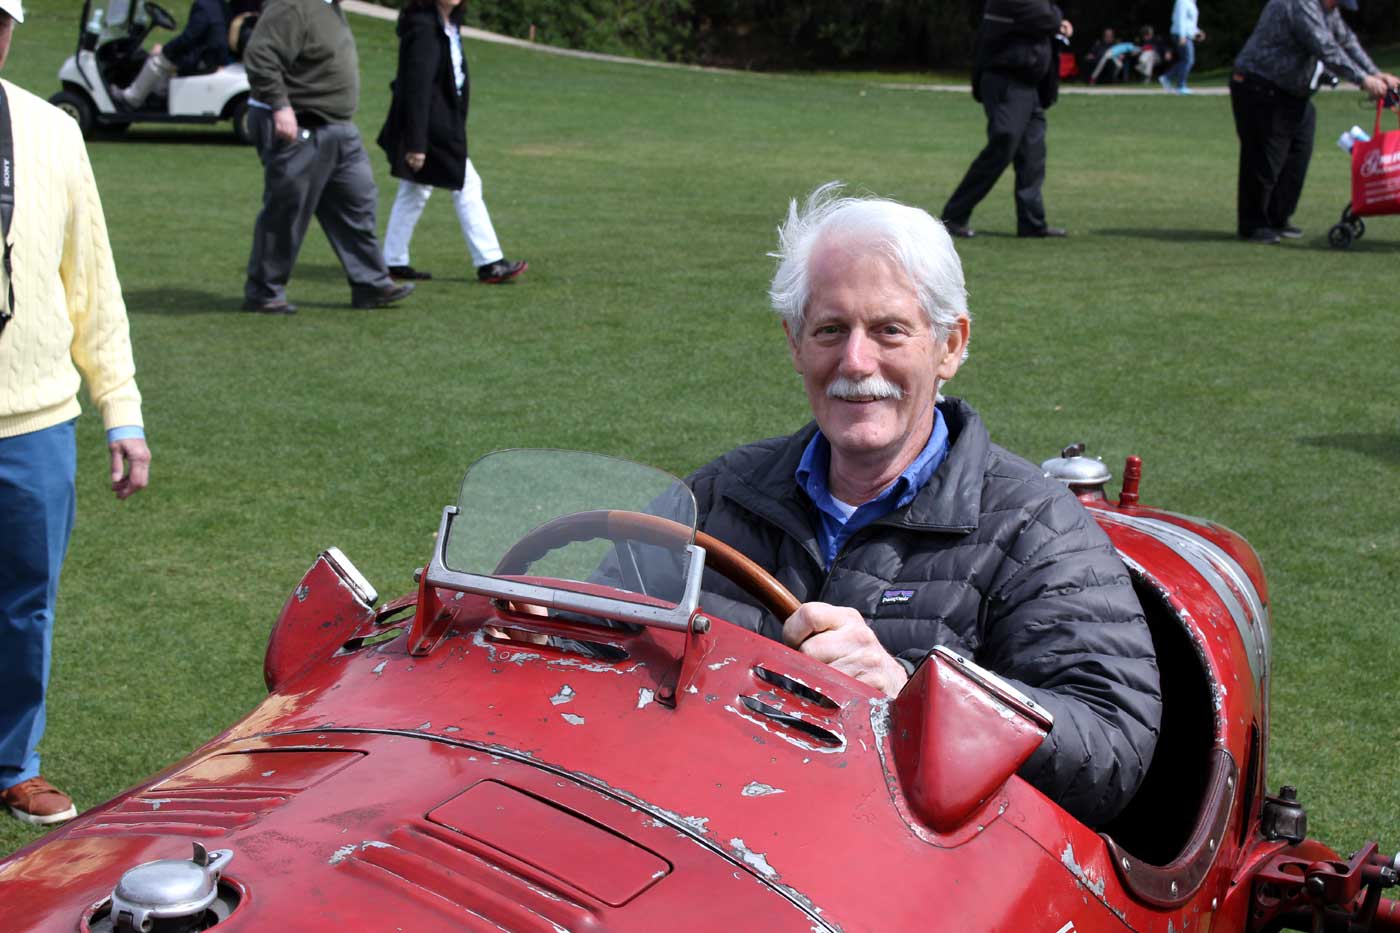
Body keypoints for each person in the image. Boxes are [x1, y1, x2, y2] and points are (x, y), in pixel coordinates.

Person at [685, 184, 1161, 827]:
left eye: (889, 330)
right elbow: (607, 633)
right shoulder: (720, 491)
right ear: (794, 343)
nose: (856, 362)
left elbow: (1111, 752)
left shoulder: (1038, 528)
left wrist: (912, 693)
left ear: (950, 346)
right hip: (706, 833)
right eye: (830, 330)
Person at [0, 0, 151, 825]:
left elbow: (91, 279)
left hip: (34, 423)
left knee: (25, 604)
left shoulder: (54, 132)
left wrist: (120, 408)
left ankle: (12, 763)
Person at [241, 0, 414, 313]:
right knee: (287, 211)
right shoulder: (293, 5)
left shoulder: (329, 7)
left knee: (358, 201)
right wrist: (280, 105)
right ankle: (264, 292)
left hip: (337, 126)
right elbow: (260, 55)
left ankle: (371, 285)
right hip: (300, 125)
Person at [376, 0, 527, 285]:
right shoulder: (424, 27)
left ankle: (392, 260)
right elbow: (417, 88)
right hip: (432, 127)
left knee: (415, 189)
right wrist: (416, 143)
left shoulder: (449, 26)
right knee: (467, 184)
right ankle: (490, 262)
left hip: (444, 122)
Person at [1230, 0, 1400, 244]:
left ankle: (1277, 218)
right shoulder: (1299, 5)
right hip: (1260, 86)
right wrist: (1363, 80)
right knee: (1264, 157)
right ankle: (1253, 224)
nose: (1337, 6)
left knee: (1298, 154)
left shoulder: (1327, 10)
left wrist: (1375, 73)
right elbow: (1326, 48)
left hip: (1291, 93)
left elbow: (1346, 41)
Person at [940, 0, 1073, 239]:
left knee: (1032, 153)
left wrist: (1056, 21)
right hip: (1007, 82)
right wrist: (1058, 19)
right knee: (1003, 145)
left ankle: (1032, 223)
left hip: (1029, 86)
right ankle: (953, 217)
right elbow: (1047, 18)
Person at [111, 0, 229, 110]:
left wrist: (165, 50)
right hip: (211, 56)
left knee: (157, 60)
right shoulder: (219, 4)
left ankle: (132, 98)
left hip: (202, 58)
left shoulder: (203, 6)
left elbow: (188, 37)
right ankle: (158, 95)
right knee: (165, 58)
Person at [1160, 0, 1204, 94]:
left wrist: (1197, 32)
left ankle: (1167, 77)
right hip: (1180, 34)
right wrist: (1182, 36)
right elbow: (1181, 19)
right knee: (1188, 60)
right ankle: (1179, 85)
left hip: (1186, 35)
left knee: (1186, 60)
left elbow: (1190, 23)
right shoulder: (1182, 1)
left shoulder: (1192, 3)